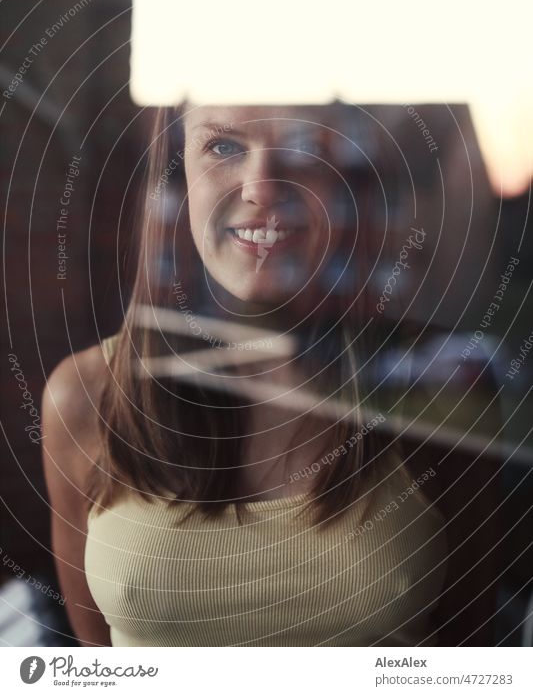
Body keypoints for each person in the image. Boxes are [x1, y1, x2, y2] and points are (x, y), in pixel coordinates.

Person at [42, 101, 448, 647]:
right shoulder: (85, 396)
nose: (261, 188)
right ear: (177, 171)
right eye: (224, 147)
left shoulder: (436, 389)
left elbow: (473, 652)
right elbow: (98, 660)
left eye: (303, 149)